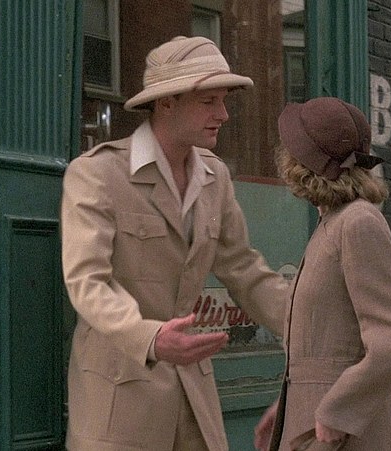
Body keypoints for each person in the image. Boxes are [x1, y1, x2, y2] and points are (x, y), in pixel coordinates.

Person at [61, 36, 288, 451]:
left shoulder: (215, 178)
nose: (223, 114)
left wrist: (309, 327)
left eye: (224, 101)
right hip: (119, 404)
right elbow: (88, 283)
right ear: (166, 103)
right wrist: (150, 337)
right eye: (209, 101)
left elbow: (245, 270)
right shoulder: (97, 174)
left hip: (195, 400)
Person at [254, 97, 391, 451]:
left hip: (344, 435)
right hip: (313, 425)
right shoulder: (333, 223)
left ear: (302, 164)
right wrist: (287, 407)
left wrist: (339, 411)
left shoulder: (358, 222)